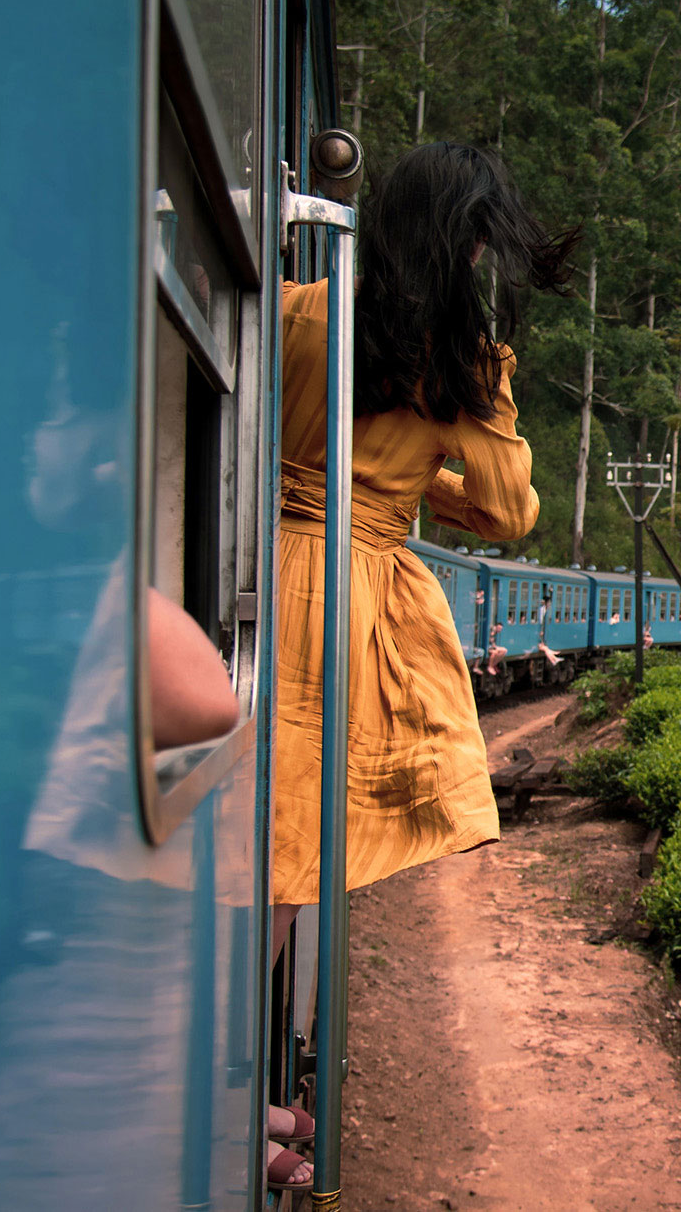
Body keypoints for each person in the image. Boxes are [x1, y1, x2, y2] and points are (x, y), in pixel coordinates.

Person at [268, 143, 577, 1183]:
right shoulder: (455, 365)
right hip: (338, 592)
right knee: (284, 858)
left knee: (234, 835)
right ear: (463, 244)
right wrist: (422, 479)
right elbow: (507, 510)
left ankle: (213, 1080)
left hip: (250, 557)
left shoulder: (300, 310)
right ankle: (216, 1097)